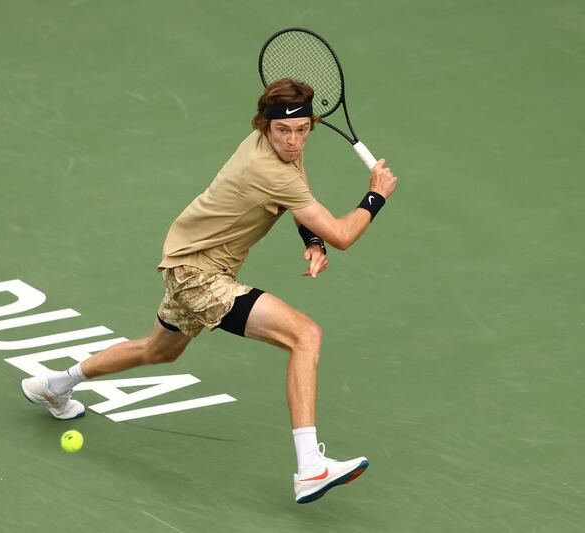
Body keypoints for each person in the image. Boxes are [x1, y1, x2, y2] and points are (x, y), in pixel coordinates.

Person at [21, 78, 398, 504]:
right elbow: (343, 233)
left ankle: (53, 384)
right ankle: (310, 466)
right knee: (304, 336)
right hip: (200, 276)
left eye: (302, 130)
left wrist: (312, 243)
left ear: (311, 124)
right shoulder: (267, 168)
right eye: (283, 131)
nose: (293, 141)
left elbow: (299, 202)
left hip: (185, 263)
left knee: (159, 351)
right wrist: (375, 195)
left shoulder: (277, 148)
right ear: (264, 125)